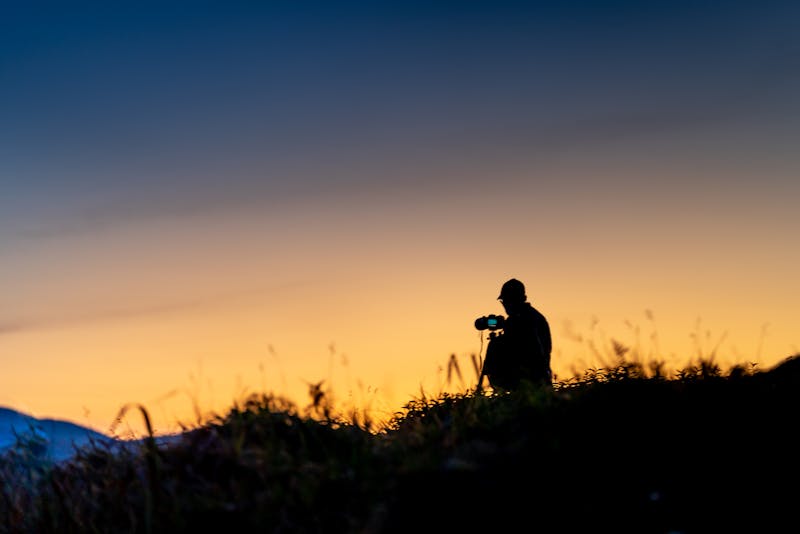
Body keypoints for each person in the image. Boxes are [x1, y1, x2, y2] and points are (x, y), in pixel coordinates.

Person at [480, 278, 552, 391]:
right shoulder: (531, 316)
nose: (504, 305)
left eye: (505, 301)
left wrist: (498, 343)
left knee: (495, 345)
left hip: (529, 380)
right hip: (535, 380)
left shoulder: (524, 319)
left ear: (514, 300)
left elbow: (533, 352)